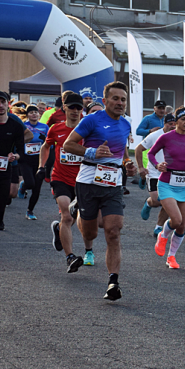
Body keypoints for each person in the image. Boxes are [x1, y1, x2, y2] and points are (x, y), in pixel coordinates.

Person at [62, 81, 137, 300]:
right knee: (90, 233)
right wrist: (93, 152)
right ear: (105, 101)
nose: (120, 103)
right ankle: (77, 212)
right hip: (88, 181)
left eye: (123, 99)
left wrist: (128, 165)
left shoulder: (125, 124)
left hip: (113, 183)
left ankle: (113, 282)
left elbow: (122, 153)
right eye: (115, 98)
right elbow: (68, 144)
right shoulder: (91, 120)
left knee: (113, 231)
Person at [149, 107, 185, 269]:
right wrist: (157, 164)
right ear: (176, 121)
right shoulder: (166, 138)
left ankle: (171, 257)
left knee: (182, 225)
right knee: (176, 219)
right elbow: (150, 154)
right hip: (167, 183)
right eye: (183, 119)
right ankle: (163, 235)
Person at [41, 92, 92, 271]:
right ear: (65, 107)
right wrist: (41, 166)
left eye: (79, 107)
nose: (75, 111)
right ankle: (70, 257)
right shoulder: (55, 128)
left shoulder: (88, 129)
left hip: (82, 180)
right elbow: (45, 146)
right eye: (72, 107)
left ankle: (59, 230)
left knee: (83, 219)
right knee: (66, 215)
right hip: (60, 177)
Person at [0, 91, 25, 251]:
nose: (0, 105)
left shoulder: (15, 126)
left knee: (0, 209)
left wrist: (15, 156)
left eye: (2, 102)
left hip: (5, 170)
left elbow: (21, 150)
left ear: (7, 104)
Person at [135, 113, 176, 237]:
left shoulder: (178, 137)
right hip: (154, 172)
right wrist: (141, 167)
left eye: (174, 124)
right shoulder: (155, 135)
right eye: (170, 124)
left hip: (170, 174)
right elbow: (138, 149)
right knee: (157, 201)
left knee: (168, 201)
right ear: (164, 124)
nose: (172, 127)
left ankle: (158, 227)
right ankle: (148, 203)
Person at [18, 105, 50, 219]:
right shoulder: (23, 126)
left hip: (39, 159)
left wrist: (45, 140)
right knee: (30, 183)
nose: (34, 114)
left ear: (39, 114)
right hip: (25, 159)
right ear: (27, 115)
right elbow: (17, 141)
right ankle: (23, 186)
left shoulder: (44, 127)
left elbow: (49, 144)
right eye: (31, 112)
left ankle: (30, 211)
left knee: (37, 188)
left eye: (36, 112)